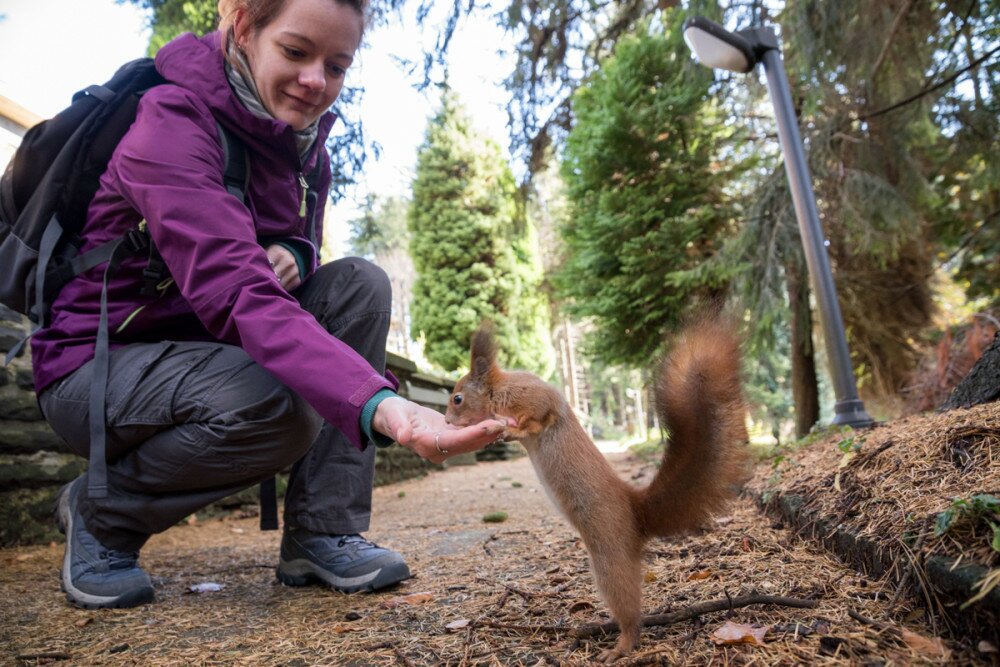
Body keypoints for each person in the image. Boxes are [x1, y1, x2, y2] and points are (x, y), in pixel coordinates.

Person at [31, 0, 506, 610]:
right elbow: (237, 289)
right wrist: (385, 406)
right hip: (98, 366)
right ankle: (100, 513)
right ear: (244, 30)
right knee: (280, 406)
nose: (317, 81)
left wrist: (300, 254)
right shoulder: (170, 122)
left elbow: (291, 248)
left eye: (337, 65)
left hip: (205, 351)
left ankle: (322, 529)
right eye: (295, 52)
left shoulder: (303, 142)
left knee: (361, 284)